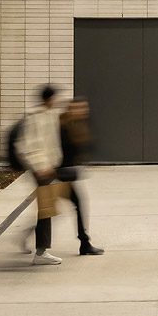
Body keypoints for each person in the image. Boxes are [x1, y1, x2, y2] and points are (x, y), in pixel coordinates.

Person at [8, 84, 67, 265]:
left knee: (48, 208)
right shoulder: (36, 118)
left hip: (50, 168)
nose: (58, 101)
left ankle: (28, 237)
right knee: (47, 209)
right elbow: (29, 145)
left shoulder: (50, 115)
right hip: (42, 170)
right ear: (48, 99)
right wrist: (41, 166)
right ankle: (40, 252)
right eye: (55, 97)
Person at [55, 96, 103, 256]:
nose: (83, 111)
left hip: (66, 174)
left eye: (84, 108)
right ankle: (84, 243)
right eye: (79, 108)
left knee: (50, 211)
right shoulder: (62, 126)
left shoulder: (77, 125)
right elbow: (58, 152)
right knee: (75, 204)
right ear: (71, 109)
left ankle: (84, 242)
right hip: (59, 175)